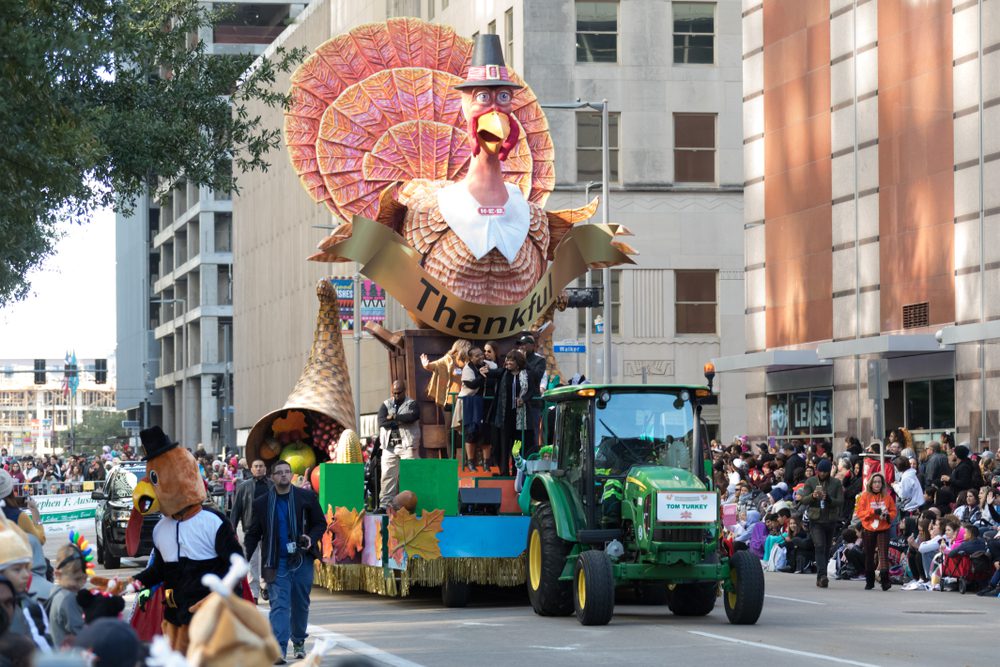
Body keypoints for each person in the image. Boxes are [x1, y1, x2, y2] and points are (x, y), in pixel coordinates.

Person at [244, 460, 326, 664]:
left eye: (286, 472)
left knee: (300, 604)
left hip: (301, 559)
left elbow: (320, 523)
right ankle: (278, 649)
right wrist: (243, 560)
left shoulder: (305, 497)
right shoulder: (262, 503)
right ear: (272, 477)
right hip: (275, 561)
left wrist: (310, 538)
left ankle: (298, 641)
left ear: (291, 475)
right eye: (278, 472)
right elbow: (253, 534)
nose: (283, 475)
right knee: (280, 605)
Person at [230, 459, 273, 603]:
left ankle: (265, 586)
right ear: (251, 469)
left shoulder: (272, 486)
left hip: (268, 530)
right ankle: (253, 593)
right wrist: (233, 529)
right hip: (249, 529)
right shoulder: (243, 487)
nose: (259, 469)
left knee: (266, 559)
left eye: (261, 466)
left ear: (265, 469)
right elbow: (236, 510)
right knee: (252, 563)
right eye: (256, 466)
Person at [797, 458, 844, 588]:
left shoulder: (835, 483)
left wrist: (828, 498)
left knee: (827, 548)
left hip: (830, 519)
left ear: (829, 471)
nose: (823, 474)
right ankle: (822, 576)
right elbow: (804, 500)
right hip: (815, 520)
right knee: (819, 546)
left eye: (825, 472)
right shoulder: (811, 481)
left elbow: (840, 501)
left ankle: (820, 576)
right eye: (821, 471)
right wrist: (813, 496)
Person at [377, 381, 421, 510]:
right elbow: (381, 421)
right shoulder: (386, 404)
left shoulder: (411, 403)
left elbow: (412, 416)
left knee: (409, 475)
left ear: (404, 391)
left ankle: (409, 504)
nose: (396, 395)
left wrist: (394, 417)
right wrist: (399, 421)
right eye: (394, 393)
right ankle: (385, 505)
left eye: (399, 393)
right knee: (387, 475)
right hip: (389, 446)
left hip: (407, 444)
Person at [855, 472, 897, 590]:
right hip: (869, 528)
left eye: (879, 482)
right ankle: (870, 581)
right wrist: (873, 512)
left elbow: (893, 511)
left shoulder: (887, 497)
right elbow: (860, 512)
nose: (877, 484)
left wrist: (888, 516)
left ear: (882, 484)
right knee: (869, 554)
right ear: (871, 484)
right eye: (875, 482)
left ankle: (885, 581)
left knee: (883, 553)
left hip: (883, 528)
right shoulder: (865, 496)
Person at [458, 347, 495, 471]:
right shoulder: (467, 369)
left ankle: (486, 463)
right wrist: (481, 374)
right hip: (472, 403)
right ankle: (470, 462)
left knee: (486, 434)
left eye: (481, 354)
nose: (480, 357)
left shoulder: (489, 365)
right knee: (471, 433)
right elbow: (472, 384)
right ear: (470, 358)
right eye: (477, 356)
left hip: (487, 403)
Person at [46, 543, 87, 647]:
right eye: (76, 579)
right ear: (57, 574)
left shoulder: (56, 592)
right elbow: (81, 635)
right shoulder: (68, 598)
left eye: (82, 579)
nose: (79, 584)